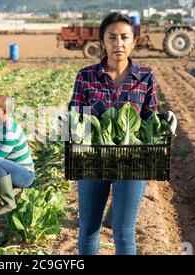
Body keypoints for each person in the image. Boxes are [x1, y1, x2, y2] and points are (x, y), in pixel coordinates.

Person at [67, 12, 177, 255]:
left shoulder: (145, 77)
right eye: (112, 38)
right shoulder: (86, 77)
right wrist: (68, 124)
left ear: (134, 41)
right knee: (88, 229)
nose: (119, 44)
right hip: (93, 160)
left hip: (132, 161)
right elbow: (75, 115)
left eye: (125, 37)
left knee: (124, 232)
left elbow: (149, 117)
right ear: (102, 42)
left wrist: (164, 122)